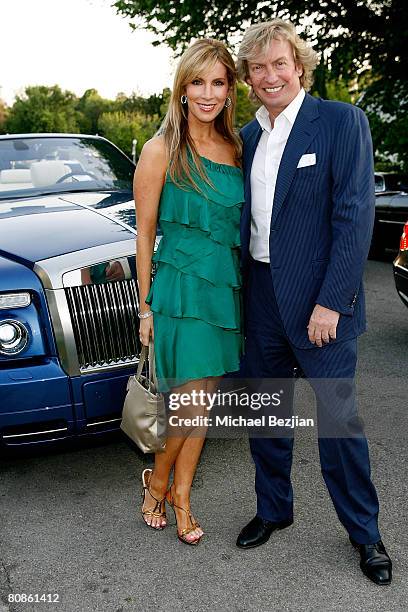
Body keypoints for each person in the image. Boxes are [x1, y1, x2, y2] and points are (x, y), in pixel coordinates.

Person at [236, 19, 392, 585]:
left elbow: (354, 217)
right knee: (266, 417)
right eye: (258, 67)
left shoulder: (341, 122)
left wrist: (332, 302)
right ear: (249, 78)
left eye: (280, 63)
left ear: (299, 67)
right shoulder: (245, 138)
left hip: (321, 305)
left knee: (338, 425)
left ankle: (366, 534)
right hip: (260, 300)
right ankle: (274, 510)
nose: (270, 75)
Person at [133, 39, 243, 545]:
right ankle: (161, 487)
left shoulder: (236, 148)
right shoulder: (160, 151)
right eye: (197, 81)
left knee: (202, 405)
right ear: (181, 88)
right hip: (178, 290)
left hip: (222, 291)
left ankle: (180, 495)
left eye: (217, 82)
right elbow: (145, 232)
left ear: (229, 90)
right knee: (188, 404)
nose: (207, 92)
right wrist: (145, 305)